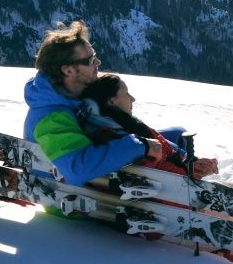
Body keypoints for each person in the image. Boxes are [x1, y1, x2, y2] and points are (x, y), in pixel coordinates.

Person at [22, 21, 160, 186]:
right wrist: (139, 145)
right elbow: (77, 169)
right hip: (75, 203)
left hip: (97, 188)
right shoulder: (51, 118)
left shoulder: (71, 97)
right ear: (68, 70)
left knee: (176, 134)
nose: (98, 63)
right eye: (90, 60)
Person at [84, 72, 219, 176]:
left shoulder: (119, 123)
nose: (133, 98)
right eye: (126, 94)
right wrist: (195, 171)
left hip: (169, 160)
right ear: (111, 101)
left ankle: (185, 155)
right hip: (172, 177)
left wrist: (192, 162)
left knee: (179, 132)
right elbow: (166, 175)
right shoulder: (125, 139)